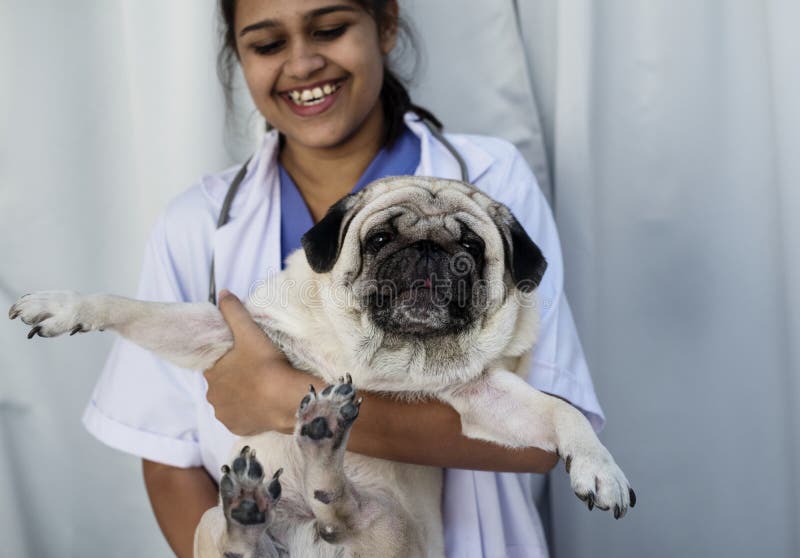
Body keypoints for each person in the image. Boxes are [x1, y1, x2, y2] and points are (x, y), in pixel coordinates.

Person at [82, 1, 605, 556]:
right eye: (267, 45)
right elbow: (168, 458)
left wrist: (278, 398)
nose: (303, 63)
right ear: (239, 56)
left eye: (329, 30)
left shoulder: (489, 181)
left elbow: (541, 442)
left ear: (385, 25)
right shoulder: (194, 223)